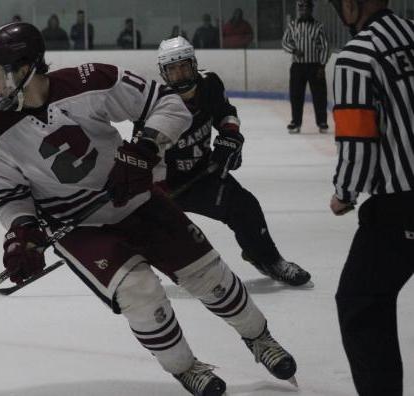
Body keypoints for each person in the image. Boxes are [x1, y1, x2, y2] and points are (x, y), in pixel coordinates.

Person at [0, 22, 297, 396]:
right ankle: (185, 367)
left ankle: (260, 338)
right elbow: (8, 196)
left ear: (26, 67)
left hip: (137, 200)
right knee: (140, 293)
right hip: (78, 228)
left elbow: (167, 103)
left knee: (211, 277)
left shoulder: (90, 80)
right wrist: (21, 234)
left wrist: (145, 149)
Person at [148, 36, 311, 287]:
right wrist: (155, 191)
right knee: (148, 234)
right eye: (172, 69)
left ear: (193, 64)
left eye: (184, 66)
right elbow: (145, 154)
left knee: (245, 207)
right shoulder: (157, 105)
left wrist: (230, 137)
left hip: (204, 175)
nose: (180, 74)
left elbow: (226, 113)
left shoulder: (209, 83)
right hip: (167, 185)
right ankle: (134, 280)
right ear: (164, 72)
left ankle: (268, 259)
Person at [327, 0, 414, 395]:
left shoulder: (357, 57)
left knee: (362, 302)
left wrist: (345, 193)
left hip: (401, 205)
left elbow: (358, 140)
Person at [281, 0, 329, 134]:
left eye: (306, 8)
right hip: (297, 66)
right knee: (296, 95)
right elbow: (284, 42)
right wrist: (294, 50)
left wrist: (322, 65)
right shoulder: (292, 25)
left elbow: (325, 46)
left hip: (315, 66)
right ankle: (296, 121)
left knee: (319, 95)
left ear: (311, 10)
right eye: (301, 8)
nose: (303, 11)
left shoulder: (319, 26)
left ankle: (322, 122)